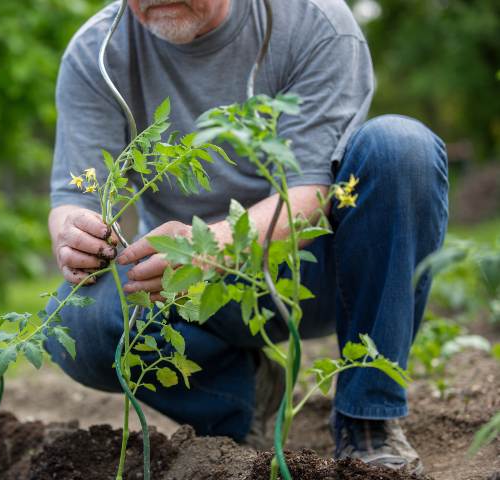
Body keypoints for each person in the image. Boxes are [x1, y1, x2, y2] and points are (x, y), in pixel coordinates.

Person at [45, 0, 448, 474]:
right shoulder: (97, 51)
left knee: (401, 148)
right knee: (76, 321)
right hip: (183, 289)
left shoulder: (315, 22)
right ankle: (244, 398)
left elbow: (310, 192)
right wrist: (74, 232)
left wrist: (210, 246)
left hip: (319, 275)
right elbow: (77, 195)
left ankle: (368, 417)